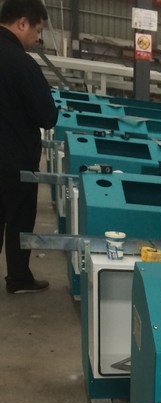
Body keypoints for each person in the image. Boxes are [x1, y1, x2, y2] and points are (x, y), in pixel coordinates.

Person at [0, 0, 57, 293]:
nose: (36, 39)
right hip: (15, 162)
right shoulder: (22, 64)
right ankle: (19, 278)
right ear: (22, 23)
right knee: (19, 221)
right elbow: (47, 115)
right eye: (37, 31)